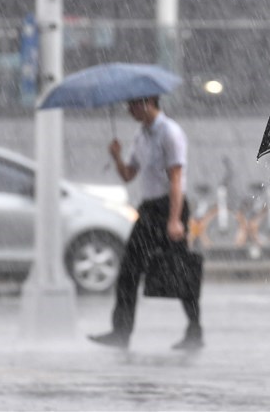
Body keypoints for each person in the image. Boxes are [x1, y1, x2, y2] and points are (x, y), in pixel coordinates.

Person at [89, 96, 203, 351]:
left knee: (180, 270)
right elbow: (129, 174)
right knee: (129, 270)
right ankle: (121, 331)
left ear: (148, 103)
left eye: (133, 105)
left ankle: (195, 330)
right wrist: (116, 157)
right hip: (149, 209)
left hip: (171, 207)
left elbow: (176, 179)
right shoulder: (141, 135)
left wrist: (174, 221)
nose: (129, 110)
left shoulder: (170, 133)